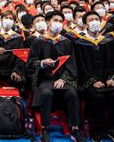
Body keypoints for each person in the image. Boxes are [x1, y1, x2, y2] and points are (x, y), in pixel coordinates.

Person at [27, 11, 86, 142]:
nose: (58, 24)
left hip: (62, 79)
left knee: (72, 93)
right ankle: (44, 128)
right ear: (48, 23)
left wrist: (63, 78)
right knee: (46, 93)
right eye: (56, 20)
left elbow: (72, 63)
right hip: (45, 79)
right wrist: (42, 63)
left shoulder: (66, 42)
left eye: (61, 21)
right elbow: (30, 63)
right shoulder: (38, 42)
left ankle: (75, 128)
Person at [74, 11, 114, 142]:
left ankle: (113, 129)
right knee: (98, 96)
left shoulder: (108, 41)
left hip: (107, 79)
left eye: (97, 19)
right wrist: (93, 81)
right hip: (89, 81)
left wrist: (110, 78)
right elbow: (80, 66)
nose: (95, 21)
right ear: (85, 25)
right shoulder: (79, 43)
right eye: (91, 19)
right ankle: (98, 130)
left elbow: (113, 63)